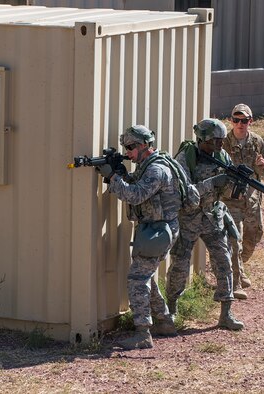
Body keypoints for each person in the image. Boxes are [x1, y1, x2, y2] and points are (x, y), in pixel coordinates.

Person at [95, 125, 183, 350]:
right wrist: (120, 174)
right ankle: (163, 321)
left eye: (131, 147)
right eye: (126, 147)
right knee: (146, 274)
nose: (128, 152)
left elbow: (135, 195)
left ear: (144, 145)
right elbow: (134, 180)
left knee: (137, 278)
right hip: (155, 229)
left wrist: (113, 177)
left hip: (159, 231)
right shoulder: (146, 166)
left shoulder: (156, 170)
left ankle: (143, 332)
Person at [166, 118, 245, 331]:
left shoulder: (222, 156)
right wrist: (211, 183)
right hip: (189, 218)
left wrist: (235, 184)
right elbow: (184, 192)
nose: (220, 145)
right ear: (202, 140)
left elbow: (226, 194)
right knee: (180, 264)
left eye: (221, 140)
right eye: (214, 141)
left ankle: (226, 313)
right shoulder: (186, 158)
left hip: (212, 216)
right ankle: (171, 310)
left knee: (224, 261)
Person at [222, 104, 264, 300]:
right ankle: (234, 284)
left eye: (244, 120)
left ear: (251, 121)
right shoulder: (223, 142)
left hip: (251, 199)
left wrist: (261, 167)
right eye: (236, 120)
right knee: (235, 240)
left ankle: (240, 268)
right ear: (231, 120)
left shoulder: (257, 141)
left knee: (254, 236)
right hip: (231, 199)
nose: (240, 124)